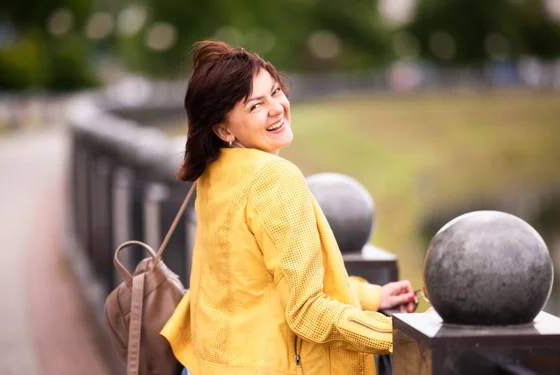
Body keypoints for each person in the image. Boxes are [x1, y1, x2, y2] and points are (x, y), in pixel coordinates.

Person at [161, 40, 417, 375]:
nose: (277, 107)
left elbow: (258, 283)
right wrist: (402, 336)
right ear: (223, 129)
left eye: (276, 91)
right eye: (255, 106)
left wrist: (371, 297)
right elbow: (307, 310)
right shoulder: (274, 177)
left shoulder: (216, 173)